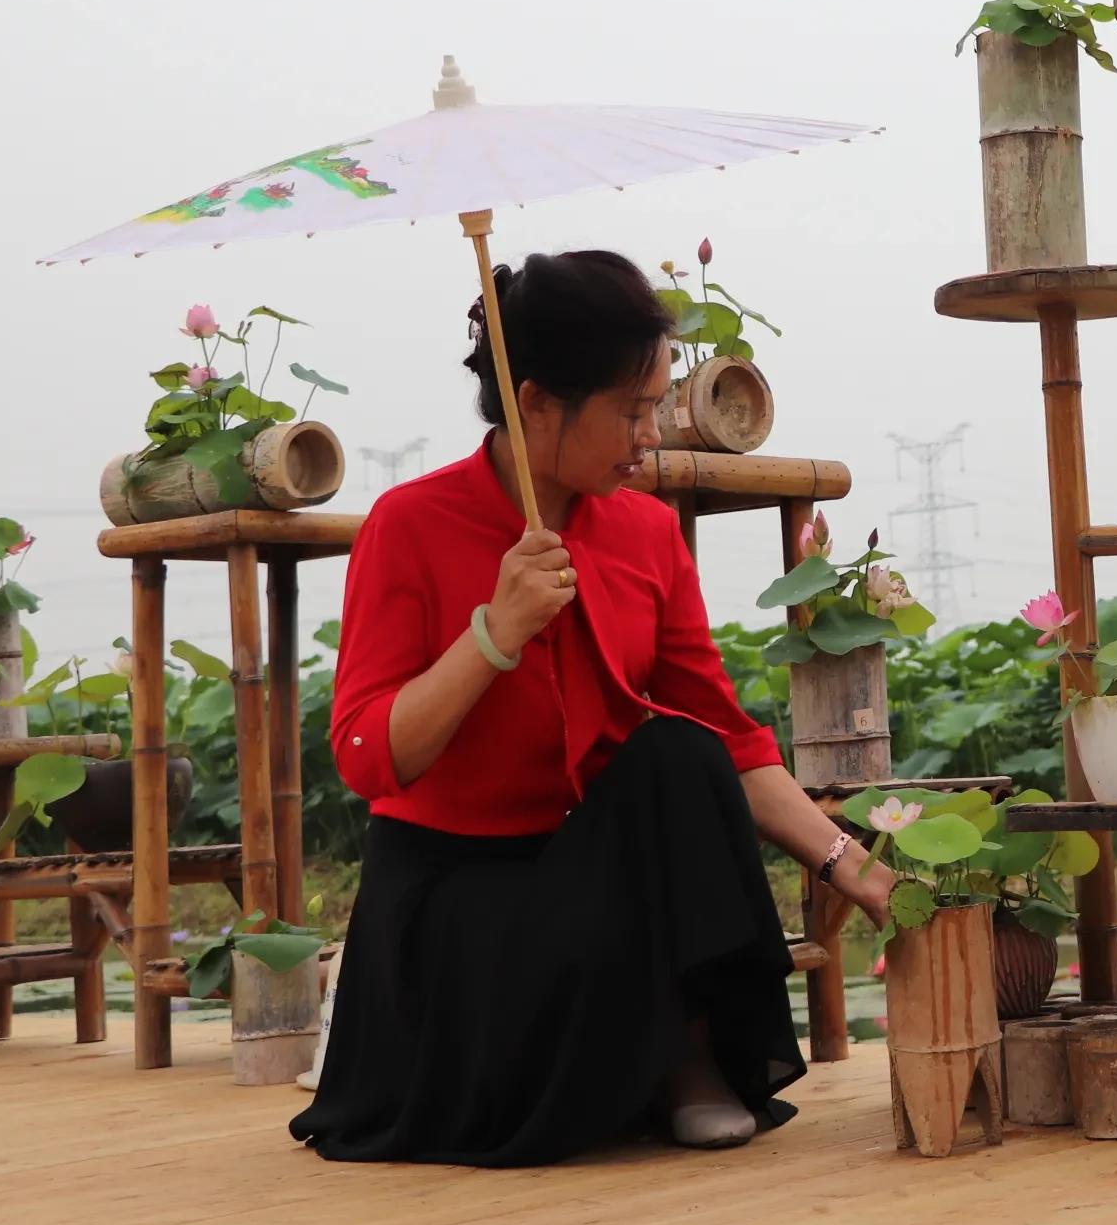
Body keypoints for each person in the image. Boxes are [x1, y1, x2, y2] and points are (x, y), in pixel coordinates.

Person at [288, 249, 891, 1166]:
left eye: (655, 408)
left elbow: (727, 737)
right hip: (456, 916)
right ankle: (591, 1078)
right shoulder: (409, 526)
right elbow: (369, 756)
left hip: (583, 886)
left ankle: (690, 1065)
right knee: (660, 766)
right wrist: (492, 637)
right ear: (536, 402)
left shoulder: (645, 530)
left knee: (678, 756)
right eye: (632, 411)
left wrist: (852, 866)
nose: (650, 437)